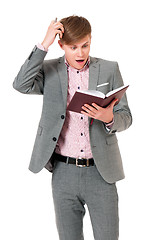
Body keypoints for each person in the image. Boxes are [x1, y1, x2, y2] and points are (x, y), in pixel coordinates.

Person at [13, 15, 132, 240]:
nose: (80, 53)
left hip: (101, 172)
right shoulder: (49, 69)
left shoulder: (109, 69)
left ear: (91, 41)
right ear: (62, 45)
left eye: (85, 45)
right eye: (73, 47)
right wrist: (43, 44)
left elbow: (126, 116)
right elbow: (21, 84)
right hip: (63, 172)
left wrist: (109, 118)